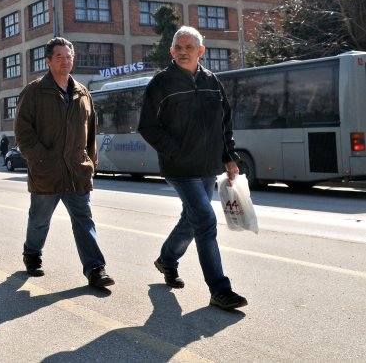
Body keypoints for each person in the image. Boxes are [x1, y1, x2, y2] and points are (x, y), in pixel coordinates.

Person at [138, 26, 248, 311]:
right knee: (205, 220)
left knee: (191, 218)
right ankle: (219, 289)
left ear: (201, 51)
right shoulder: (161, 83)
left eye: (190, 47)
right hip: (179, 167)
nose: (184, 51)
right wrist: (175, 151)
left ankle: (166, 260)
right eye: (179, 47)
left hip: (208, 165)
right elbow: (147, 126)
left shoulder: (212, 81)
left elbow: (224, 123)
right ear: (171, 51)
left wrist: (229, 156)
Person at [14, 37, 114, 289]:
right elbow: (23, 132)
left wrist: (91, 163)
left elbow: (91, 132)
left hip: (77, 172)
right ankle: (32, 254)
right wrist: (40, 158)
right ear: (48, 61)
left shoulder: (83, 93)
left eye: (68, 57)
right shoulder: (34, 91)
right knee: (39, 220)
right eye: (59, 57)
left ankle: (95, 269)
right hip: (46, 172)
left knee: (84, 221)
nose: (65, 61)